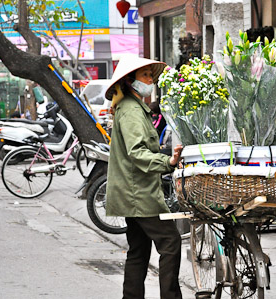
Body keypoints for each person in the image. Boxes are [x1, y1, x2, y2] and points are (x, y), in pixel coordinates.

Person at [104, 55, 183, 299]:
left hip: (134, 191)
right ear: (130, 81)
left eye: (151, 75)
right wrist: (167, 162)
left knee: (138, 251)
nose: (151, 80)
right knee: (170, 242)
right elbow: (137, 152)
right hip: (138, 193)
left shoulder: (136, 108)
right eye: (145, 76)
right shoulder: (130, 110)